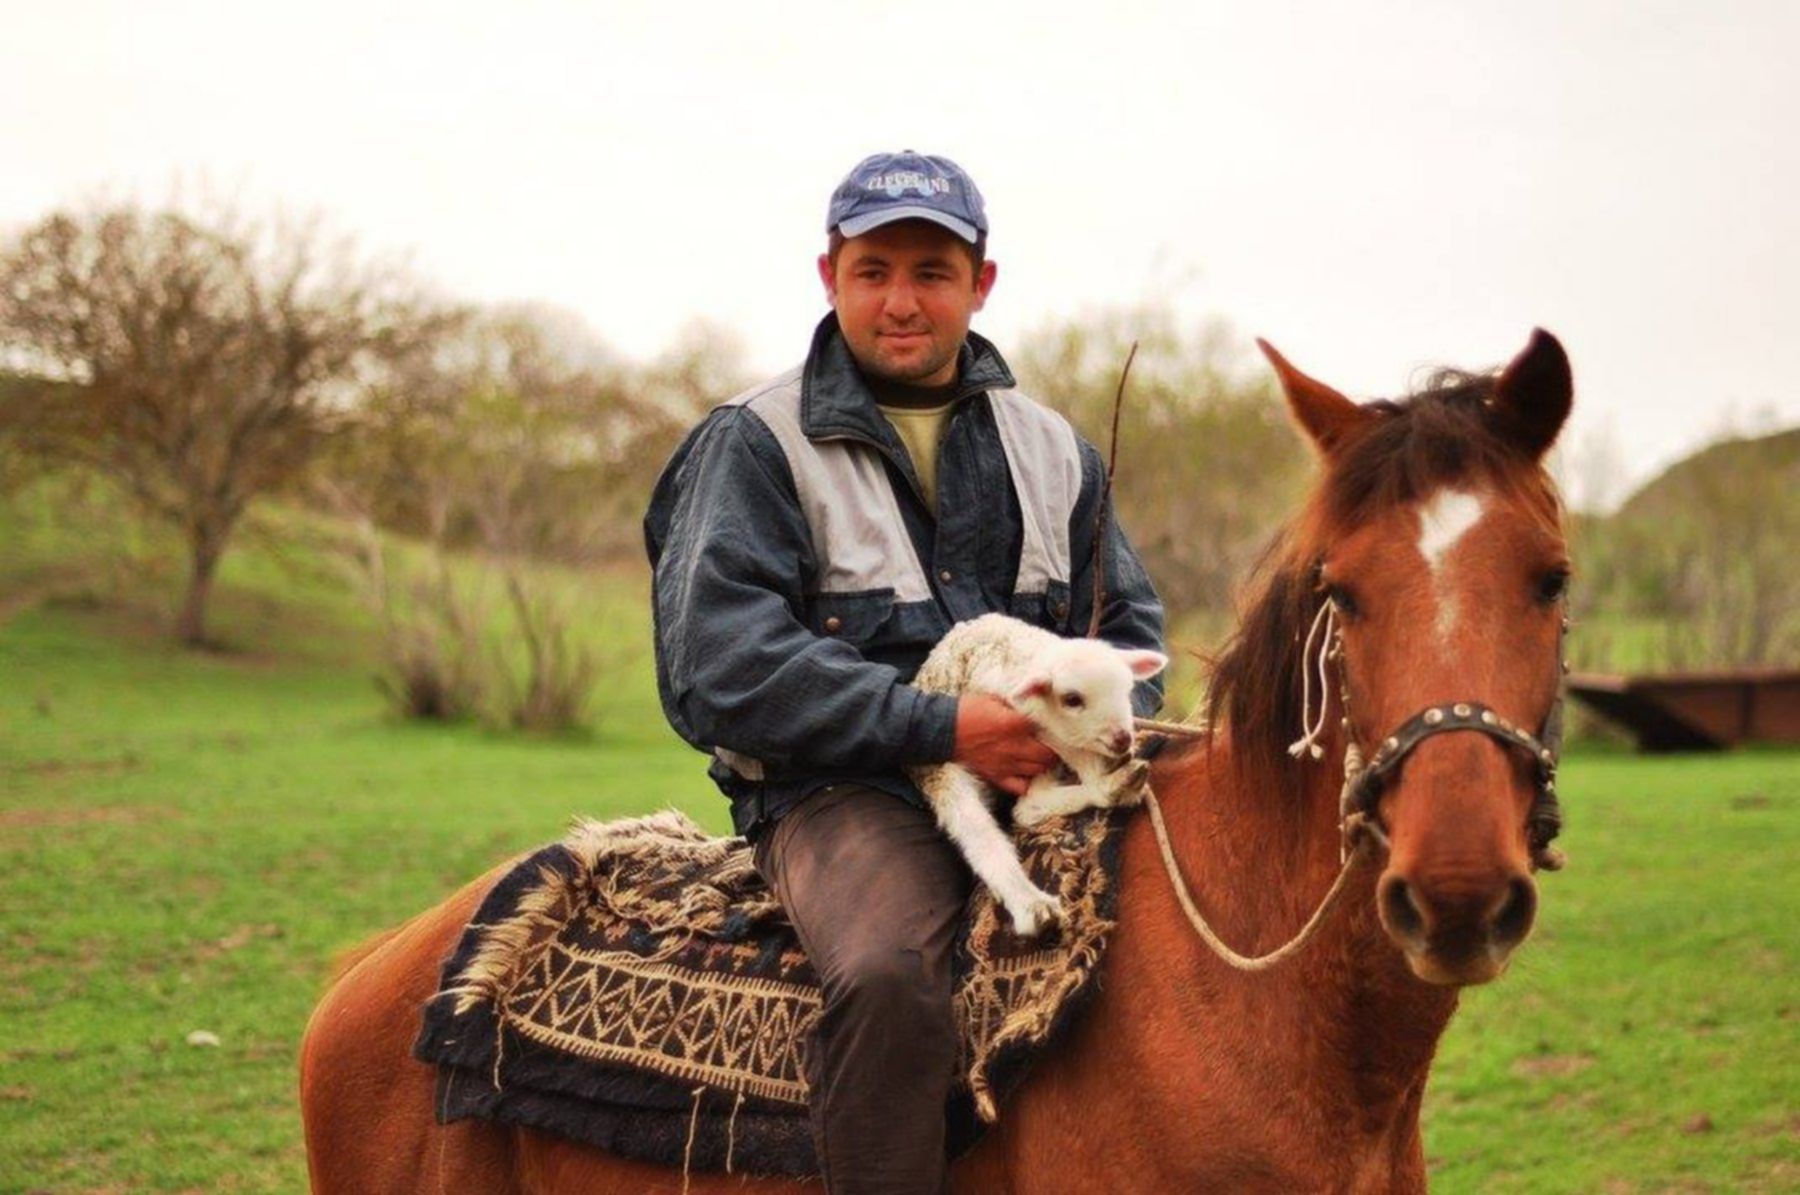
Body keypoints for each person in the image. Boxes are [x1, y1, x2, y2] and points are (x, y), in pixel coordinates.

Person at [643, 150, 1164, 1194]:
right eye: (873, 270)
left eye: (932, 272)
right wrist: (948, 728)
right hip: (844, 789)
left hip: (1047, 773)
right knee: (889, 974)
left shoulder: (1054, 449)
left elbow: (1128, 630)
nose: (901, 301)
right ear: (829, 275)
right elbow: (718, 667)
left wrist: (1076, 738)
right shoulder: (755, 441)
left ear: (981, 283)